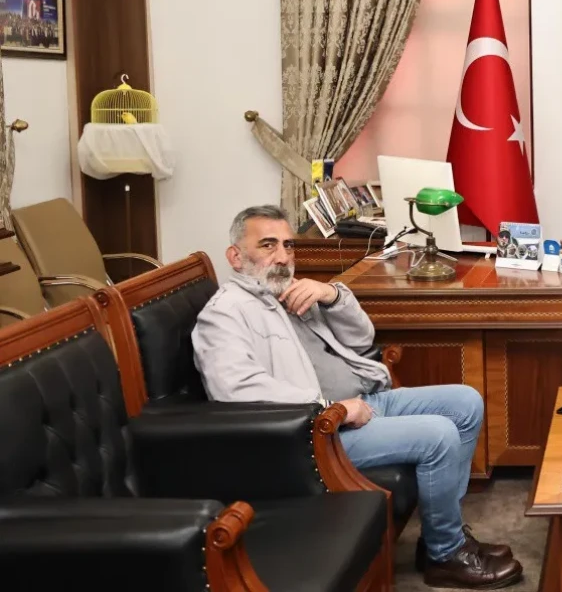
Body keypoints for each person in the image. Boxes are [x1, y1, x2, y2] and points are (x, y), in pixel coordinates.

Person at [192, 205, 522, 589]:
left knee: (466, 403)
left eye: (288, 245)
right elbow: (237, 390)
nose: (282, 256)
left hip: (366, 398)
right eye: (268, 245)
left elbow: (362, 339)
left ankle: (441, 535)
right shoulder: (225, 314)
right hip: (320, 432)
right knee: (440, 435)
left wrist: (332, 294)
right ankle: (445, 555)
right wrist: (333, 409)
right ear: (235, 256)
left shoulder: (290, 292)